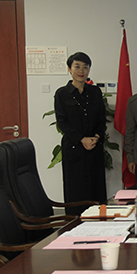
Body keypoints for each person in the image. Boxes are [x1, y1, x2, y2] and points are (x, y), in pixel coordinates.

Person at [54, 52, 107, 215]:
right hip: (74, 148)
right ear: (69, 69)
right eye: (77, 66)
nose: (81, 71)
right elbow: (62, 122)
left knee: (96, 189)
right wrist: (82, 139)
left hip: (94, 147)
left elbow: (101, 119)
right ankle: (75, 223)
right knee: (75, 189)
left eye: (85, 67)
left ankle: (100, 223)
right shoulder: (62, 93)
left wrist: (96, 137)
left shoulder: (95, 92)